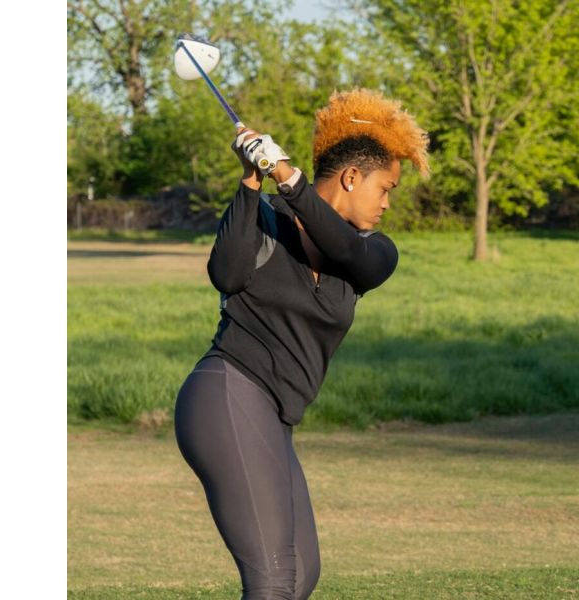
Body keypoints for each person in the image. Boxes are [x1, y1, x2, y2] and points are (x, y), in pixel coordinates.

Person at [173, 89, 430, 600]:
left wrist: (289, 178)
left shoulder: (372, 250)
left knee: (299, 577)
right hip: (227, 394)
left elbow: (339, 247)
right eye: (386, 187)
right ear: (353, 177)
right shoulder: (265, 217)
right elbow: (227, 274)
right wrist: (251, 180)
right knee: (272, 581)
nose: (387, 202)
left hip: (275, 416)